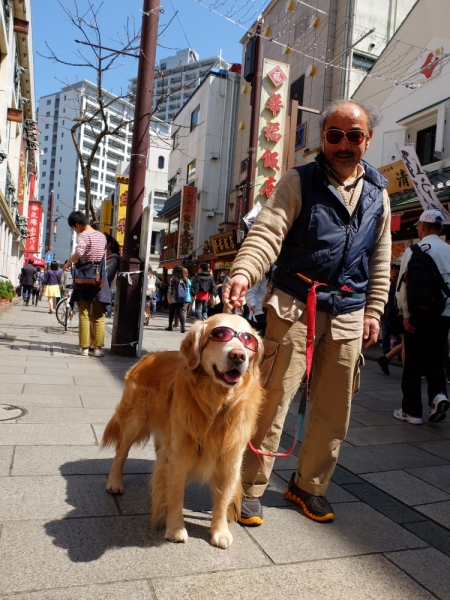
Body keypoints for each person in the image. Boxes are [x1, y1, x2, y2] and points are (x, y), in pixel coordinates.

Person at [222, 99, 391, 525]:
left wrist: (374, 309)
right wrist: (244, 273)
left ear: (367, 140)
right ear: (323, 138)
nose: (344, 144)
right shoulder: (298, 181)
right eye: (335, 135)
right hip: (294, 304)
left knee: (335, 409)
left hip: (349, 310)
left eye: (354, 136)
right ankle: (247, 485)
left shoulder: (379, 194)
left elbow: (381, 257)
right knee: (273, 400)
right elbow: (268, 231)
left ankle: (308, 486)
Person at [395, 209, 450, 425]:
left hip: (420, 313)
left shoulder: (415, 250)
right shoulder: (448, 250)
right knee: (436, 355)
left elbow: (402, 286)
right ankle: (439, 395)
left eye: (419, 226)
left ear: (423, 227)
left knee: (414, 363)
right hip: (445, 314)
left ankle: (412, 411)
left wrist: (405, 314)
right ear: (441, 228)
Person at [63, 211, 110, 357]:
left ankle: (83, 348)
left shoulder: (83, 235)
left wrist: (69, 263)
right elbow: (104, 259)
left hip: (83, 278)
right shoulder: (102, 236)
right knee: (99, 315)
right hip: (98, 279)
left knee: (83, 314)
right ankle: (97, 349)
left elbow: (79, 252)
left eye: (74, 228)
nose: (75, 231)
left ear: (77, 225)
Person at [245, 269, 273, 337]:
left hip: (274, 310)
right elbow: (251, 290)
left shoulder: (283, 269)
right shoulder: (263, 271)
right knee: (262, 333)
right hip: (259, 309)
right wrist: (251, 303)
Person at [165, 265, 187, 332]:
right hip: (181, 297)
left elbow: (170, 288)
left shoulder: (173, 278)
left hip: (173, 297)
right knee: (180, 312)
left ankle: (170, 326)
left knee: (172, 312)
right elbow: (186, 289)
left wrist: (168, 297)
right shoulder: (184, 279)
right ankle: (183, 327)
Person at [105, 234, 120, 318]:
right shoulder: (105, 258)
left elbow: (105, 276)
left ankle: (109, 313)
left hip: (105, 289)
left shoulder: (113, 260)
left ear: (109, 244)